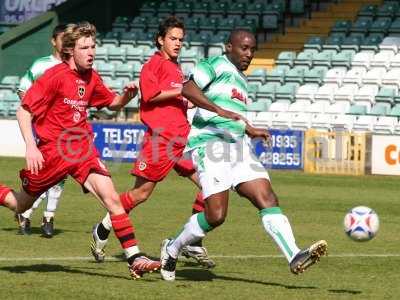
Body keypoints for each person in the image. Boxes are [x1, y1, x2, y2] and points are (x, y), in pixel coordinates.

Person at [160, 29, 328, 281]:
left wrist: (249, 129)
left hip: (238, 146)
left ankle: (294, 254)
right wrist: (218, 110)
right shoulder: (214, 64)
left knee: (267, 197)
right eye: (244, 48)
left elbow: (233, 114)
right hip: (210, 145)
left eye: (252, 49)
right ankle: (172, 248)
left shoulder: (241, 79)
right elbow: (188, 89)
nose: (249, 54)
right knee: (216, 216)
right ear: (229, 47)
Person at [0, 21, 160, 279]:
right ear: (70, 50)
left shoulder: (92, 77)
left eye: (93, 46)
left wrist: (125, 98)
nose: (91, 52)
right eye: (84, 47)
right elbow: (23, 110)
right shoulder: (54, 76)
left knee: (112, 199)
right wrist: (31, 146)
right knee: (19, 204)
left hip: (82, 150)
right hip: (52, 154)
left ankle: (134, 257)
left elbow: (112, 105)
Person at [90, 16, 236, 268]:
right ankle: (103, 228)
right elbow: (150, 95)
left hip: (183, 141)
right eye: (172, 39)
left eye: (181, 39)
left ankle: (193, 242)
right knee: (140, 194)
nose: (178, 43)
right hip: (161, 142)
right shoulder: (153, 66)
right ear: (160, 40)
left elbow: (175, 99)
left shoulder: (177, 69)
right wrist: (182, 91)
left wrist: (192, 101)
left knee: (209, 186)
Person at [15, 24, 67, 237]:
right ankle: (26, 212)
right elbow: (23, 88)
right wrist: (37, 112)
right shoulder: (41, 65)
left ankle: (48, 217)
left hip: (66, 131)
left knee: (60, 175)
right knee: (44, 174)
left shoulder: (74, 67)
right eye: (63, 38)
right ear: (53, 41)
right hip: (45, 129)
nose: (67, 42)